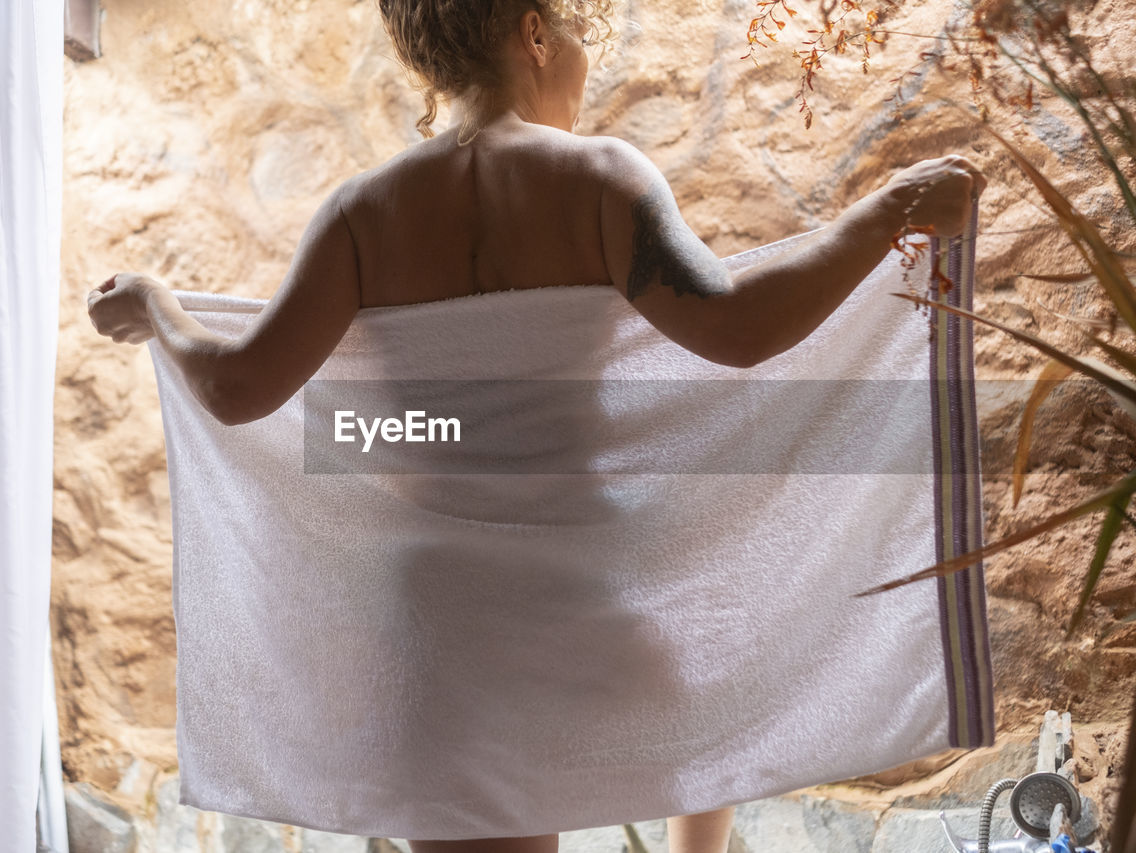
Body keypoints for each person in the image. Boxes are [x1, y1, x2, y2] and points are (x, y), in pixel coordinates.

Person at [86, 1, 986, 850]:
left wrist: (160, 307)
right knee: (709, 692)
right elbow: (740, 327)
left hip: (440, 617)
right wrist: (884, 212)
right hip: (589, 586)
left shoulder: (362, 214)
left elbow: (241, 389)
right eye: (578, 29)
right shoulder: (597, 175)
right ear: (535, 34)